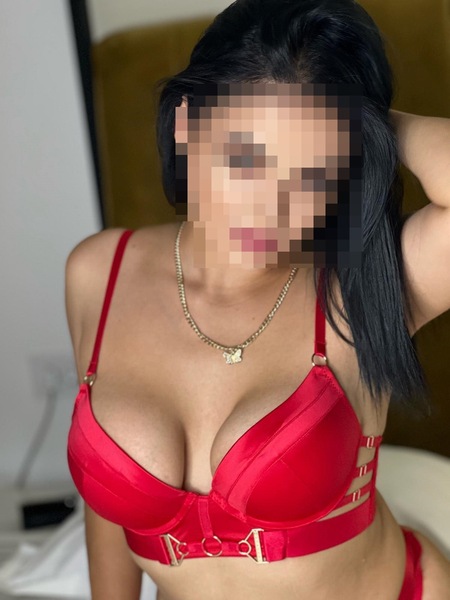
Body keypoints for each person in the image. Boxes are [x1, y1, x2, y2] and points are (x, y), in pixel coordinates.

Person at [65, 0, 450, 598]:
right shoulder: (97, 273)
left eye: (313, 175)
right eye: (245, 158)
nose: (270, 209)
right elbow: (105, 502)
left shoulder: (365, 284)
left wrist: (369, 119)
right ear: (186, 124)